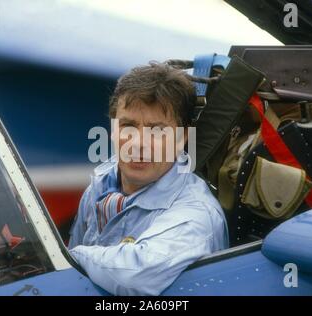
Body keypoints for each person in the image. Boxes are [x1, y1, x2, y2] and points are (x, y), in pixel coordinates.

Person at [68, 62, 228, 296]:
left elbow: (133, 276)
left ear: (182, 138)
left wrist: (67, 256)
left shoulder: (196, 216)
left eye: (157, 131)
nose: (138, 143)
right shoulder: (101, 182)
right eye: (128, 126)